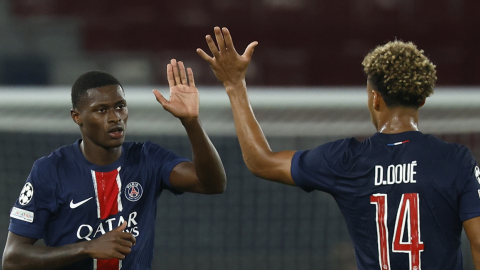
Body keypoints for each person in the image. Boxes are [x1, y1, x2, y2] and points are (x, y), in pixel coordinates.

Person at [197, 26, 480, 269]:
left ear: (374, 99)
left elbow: (260, 161)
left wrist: (235, 85)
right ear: (421, 100)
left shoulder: (347, 159)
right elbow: (478, 241)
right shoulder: (456, 160)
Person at [2, 59, 227, 270]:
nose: (115, 117)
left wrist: (191, 122)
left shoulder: (147, 158)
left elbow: (212, 184)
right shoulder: (50, 170)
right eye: (102, 110)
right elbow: (12, 258)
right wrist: (87, 247)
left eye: (120, 106)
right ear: (77, 117)